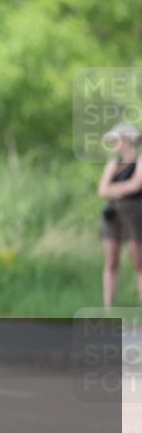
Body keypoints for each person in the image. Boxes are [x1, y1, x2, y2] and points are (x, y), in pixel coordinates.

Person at [97, 122, 142, 307]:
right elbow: (102, 190)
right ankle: (108, 308)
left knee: (138, 261)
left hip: (135, 213)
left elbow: (136, 185)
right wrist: (122, 189)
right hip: (113, 213)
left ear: (126, 139)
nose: (114, 143)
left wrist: (113, 189)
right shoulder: (114, 162)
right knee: (111, 261)